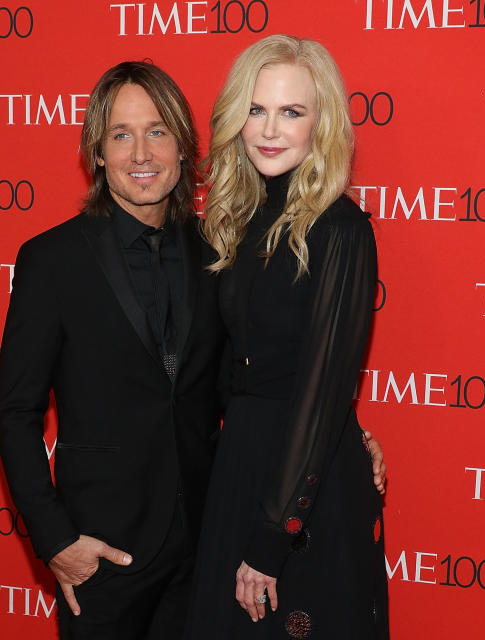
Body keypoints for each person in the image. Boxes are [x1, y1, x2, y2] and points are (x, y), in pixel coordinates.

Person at [0, 60, 386, 640]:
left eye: (157, 131)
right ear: (96, 153)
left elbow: (254, 370)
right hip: (104, 552)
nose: (141, 154)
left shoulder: (219, 250)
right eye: (120, 135)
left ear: (185, 148)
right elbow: (15, 413)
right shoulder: (51, 261)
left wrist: (341, 433)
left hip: (208, 538)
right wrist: (56, 540)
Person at [186, 35, 389, 639]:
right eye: (256, 109)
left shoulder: (341, 228)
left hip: (304, 488)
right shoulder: (233, 223)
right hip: (241, 463)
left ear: (320, 123)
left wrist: (274, 537)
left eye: (292, 112)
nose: (270, 129)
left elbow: (322, 392)